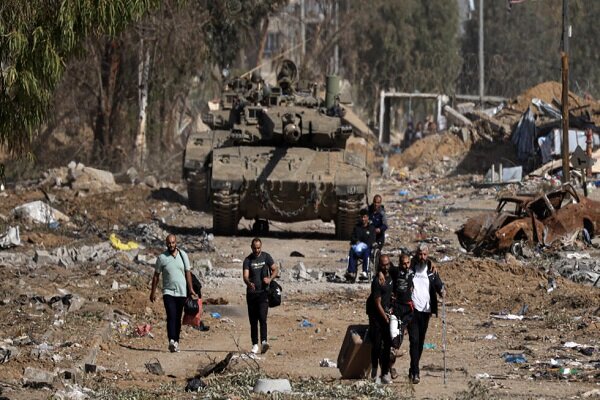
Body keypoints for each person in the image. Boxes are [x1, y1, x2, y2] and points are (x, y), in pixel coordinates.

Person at [150, 234, 197, 353]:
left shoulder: (183, 255)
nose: (171, 245)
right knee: (171, 315)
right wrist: (153, 292)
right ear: (166, 244)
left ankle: (176, 342)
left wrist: (190, 289)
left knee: (178, 317)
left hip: (182, 292)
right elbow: (156, 276)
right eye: (169, 243)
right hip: (168, 292)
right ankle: (171, 340)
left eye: (173, 242)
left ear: (176, 243)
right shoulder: (162, 258)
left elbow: (188, 273)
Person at [407, 243, 445, 384]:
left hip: (426, 311)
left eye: (424, 254)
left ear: (427, 254)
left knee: (420, 342)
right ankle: (416, 372)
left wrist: (442, 291)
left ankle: (412, 368)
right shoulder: (410, 268)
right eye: (419, 254)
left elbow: (439, 285)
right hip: (412, 310)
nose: (422, 257)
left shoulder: (431, 270)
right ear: (416, 254)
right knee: (414, 340)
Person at [243, 237, 279, 354]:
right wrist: (249, 283)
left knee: (263, 318)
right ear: (251, 247)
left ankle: (264, 342)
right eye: (254, 248)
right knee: (253, 320)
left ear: (261, 247)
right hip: (252, 294)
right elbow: (245, 276)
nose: (256, 250)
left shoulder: (266, 257)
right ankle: (254, 344)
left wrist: (270, 279)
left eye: (258, 248)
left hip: (264, 293)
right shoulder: (248, 260)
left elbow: (275, 269)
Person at [366, 254, 393, 384]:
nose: (386, 267)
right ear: (379, 265)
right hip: (377, 316)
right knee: (376, 344)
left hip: (388, 314)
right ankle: (375, 369)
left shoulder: (391, 275)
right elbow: (377, 303)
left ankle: (386, 372)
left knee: (387, 345)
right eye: (383, 264)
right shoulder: (377, 281)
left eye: (387, 264)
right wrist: (386, 319)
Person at [345, 209, 376, 282]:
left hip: (366, 248)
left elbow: (372, 239)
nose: (363, 219)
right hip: (357, 247)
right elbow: (352, 237)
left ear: (368, 218)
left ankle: (365, 272)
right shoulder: (357, 227)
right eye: (362, 217)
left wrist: (364, 245)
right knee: (352, 251)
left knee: (366, 251)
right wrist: (356, 241)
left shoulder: (371, 228)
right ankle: (351, 271)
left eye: (364, 217)